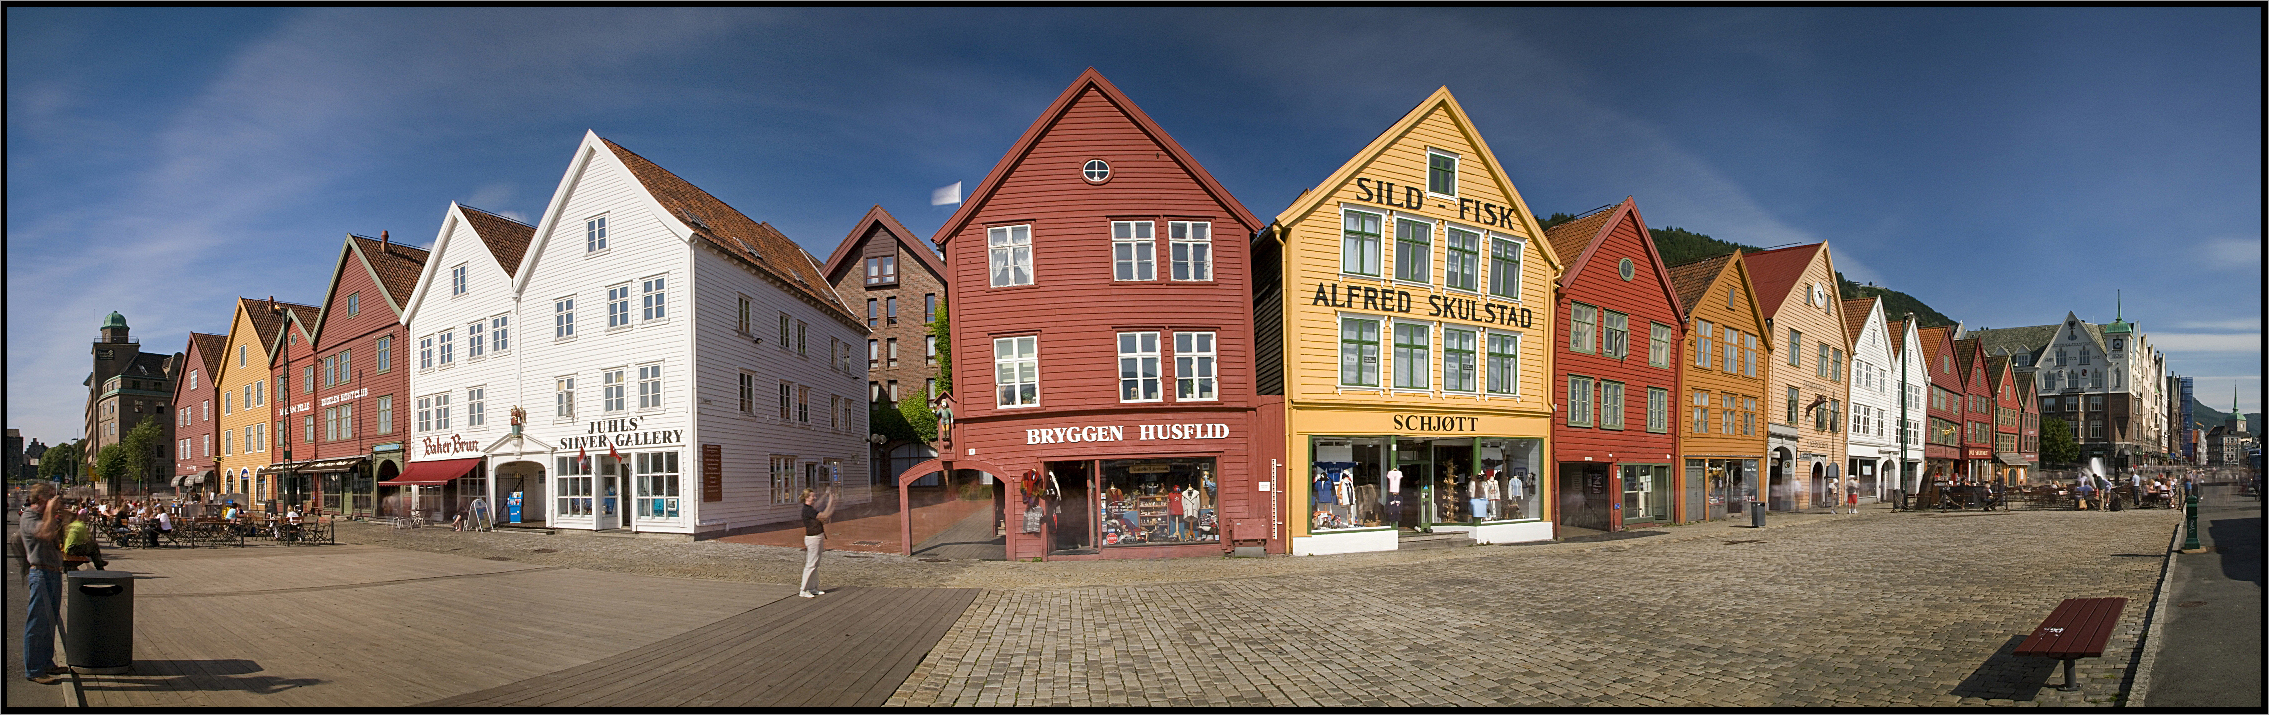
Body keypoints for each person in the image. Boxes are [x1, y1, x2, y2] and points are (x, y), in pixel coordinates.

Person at [18, 487, 66, 684]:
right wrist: (50, 513)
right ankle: (34, 669)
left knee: (49, 621)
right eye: (49, 495)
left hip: (53, 572)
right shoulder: (29, 517)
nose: (52, 499)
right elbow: (45, 534)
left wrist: (62, 517)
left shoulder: (44, 516)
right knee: (37, 623)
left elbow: (56, 538)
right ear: (39, 499)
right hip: (41, 572)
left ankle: (46, 662)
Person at [797, 487, 838, 598]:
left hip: (817, 537)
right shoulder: (807, 510)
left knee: (815, 564)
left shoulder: (810, 508)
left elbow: (819, 505)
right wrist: (830, 500)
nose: (815, 498)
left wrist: (826, 495)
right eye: (812, 496)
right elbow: (824, 516)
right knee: (810, 564)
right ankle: (803, 590)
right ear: (807, 497)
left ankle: (813, 588)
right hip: (813, 538)